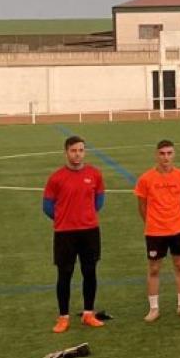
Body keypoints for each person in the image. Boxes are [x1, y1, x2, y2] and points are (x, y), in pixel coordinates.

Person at [43, 133, 105, 334]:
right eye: (73, 151)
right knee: (64, 275)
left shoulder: (95, 174)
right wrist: (64, 218)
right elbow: (47, 206)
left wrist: (84, 216)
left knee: (90, 272)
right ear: (66, 152)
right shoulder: (56, 178)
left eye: (80, 150)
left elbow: (99, 202)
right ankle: (63, 317)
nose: (77, 155)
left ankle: (88, 313)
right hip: (65, 234)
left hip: (89, 232)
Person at [133, 138, 180, 321]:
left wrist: (174, 218)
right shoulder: (146, 179)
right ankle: (154, 308)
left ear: (174, 154)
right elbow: (142, 206)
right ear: (156, 155)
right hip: (155, 231)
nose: (165, 157)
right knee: (154, 269)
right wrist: (152, 222)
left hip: (178, 229)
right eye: (162, 153)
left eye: (169, 153)